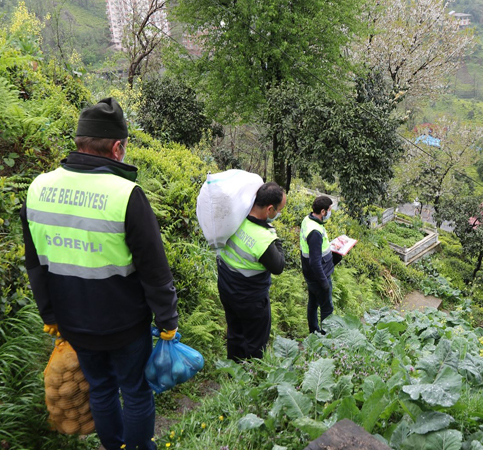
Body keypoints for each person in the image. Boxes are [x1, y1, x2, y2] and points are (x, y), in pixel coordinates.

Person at [20, 98, 178, 450]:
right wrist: (167, 319)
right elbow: (154, 269)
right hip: (125, 323)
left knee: (102, 388)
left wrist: (49, 315)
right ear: (118, 147)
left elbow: (35, 265)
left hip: (72, 321)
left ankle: (114, 446)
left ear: (79, 141)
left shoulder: (38, 188)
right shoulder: (125, 194)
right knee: (135, 390)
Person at [217, 182, 286, 360]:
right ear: (269, 209)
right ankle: (251, 381)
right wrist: (275, 238)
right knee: (255, 344)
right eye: (279, 210)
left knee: (234, 334)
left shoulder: (235, 219)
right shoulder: (263, 238)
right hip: (250, 299)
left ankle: (232, 375)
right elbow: (278, 266)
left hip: (227, 287)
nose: (279, 214)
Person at [300, 195, 341, 334]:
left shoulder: (308, 220)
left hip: (311, 274)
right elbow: (315, 261)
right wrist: (324, 282)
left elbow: (315, 251)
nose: (330, 213)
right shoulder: (315, 232)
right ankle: (326, 338)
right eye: (329, 210)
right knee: (327, 307)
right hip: (319, 276)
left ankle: (314, 331)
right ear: (323, 212)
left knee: (313, 303)